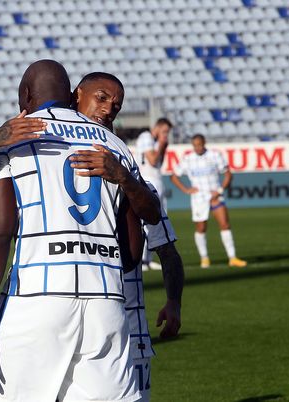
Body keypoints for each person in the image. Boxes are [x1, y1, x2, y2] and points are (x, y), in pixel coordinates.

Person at [0, 60, 145, 402]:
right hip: (105, 301)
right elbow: (132, 254)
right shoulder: (114, 146)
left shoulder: (16, 138)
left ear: (27, 95)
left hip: (36, 296)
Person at [71, 72, 185, 401]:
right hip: (72, 324)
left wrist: (174, 302)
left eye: (116, 105)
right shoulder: (51, 178)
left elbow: (167, 250)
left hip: (129, 328)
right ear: (77, 95)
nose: (109, 108)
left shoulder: (138, 188)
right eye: (102, 98)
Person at [170, 134, 247, 268]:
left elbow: (228, 174)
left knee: (225, 224)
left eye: (199, 144)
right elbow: (174, 176)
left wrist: (220, 190)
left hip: (215, 197)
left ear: (204, 143)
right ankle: (204, 258)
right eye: (195, 145)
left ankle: (232, 257)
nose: (197, 147)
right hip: (199, 198)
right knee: (201, 228)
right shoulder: (188, 159)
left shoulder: (215, 156)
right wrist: (186, 189)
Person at [135, 118, 173, 271]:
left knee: (157, 222)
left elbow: (159, 163)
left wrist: (163, 146)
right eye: (164, 131)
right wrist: (162, 145)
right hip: (148, 182)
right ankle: (142, 260)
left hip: (157, 180)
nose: (165, 134)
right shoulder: (146, 137)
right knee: (146, 223)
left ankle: (148, 259)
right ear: (157, 127)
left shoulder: (155, 141)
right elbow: (152, 160)